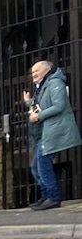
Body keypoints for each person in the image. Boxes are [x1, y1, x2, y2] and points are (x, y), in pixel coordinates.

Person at [23, 60, 81, 210]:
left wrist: (38, 116)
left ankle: (53, 197)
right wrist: (29, 102)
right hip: (44, 132)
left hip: (53, 131)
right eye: (32, 72)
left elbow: (59, 105)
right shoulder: (42, 86)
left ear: (47, 70)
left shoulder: (55, 83)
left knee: (42, 164)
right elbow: (40, 104)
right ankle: (46, 196)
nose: (33, 74)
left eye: (36, 71)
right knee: (36, 167)